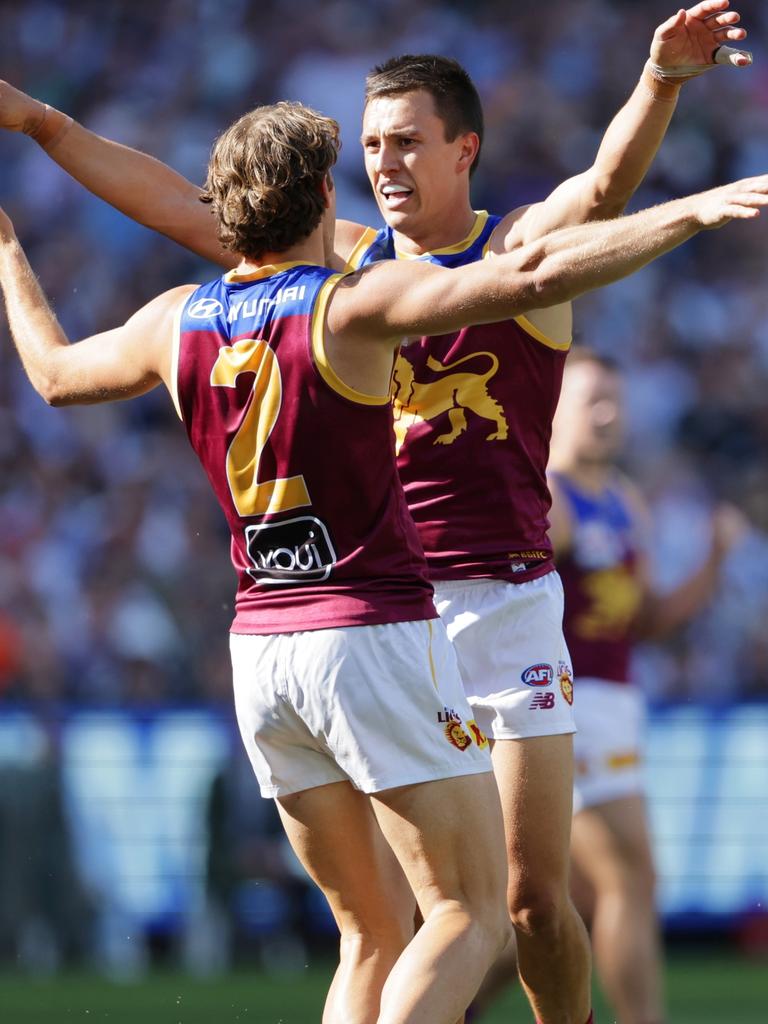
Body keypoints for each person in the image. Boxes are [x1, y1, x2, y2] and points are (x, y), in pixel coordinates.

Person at [0, 4, 754, 1021]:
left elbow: (605, 190)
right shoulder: (344, 272)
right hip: (390, 609)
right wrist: (47, 126)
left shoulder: (516, 242)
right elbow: (186, 207)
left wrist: (658, 85)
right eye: (370, 146)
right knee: (422, 911)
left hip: (503, 603)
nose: (387, 163)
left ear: (464, 149)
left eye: (407, 142)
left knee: (530, 902)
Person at [546, 348, 745, 1024]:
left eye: (614, 401)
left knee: (556, 902)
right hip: (567, 704)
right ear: (554, 409)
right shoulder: (548, 498)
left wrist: (714, 562)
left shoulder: (624, 499)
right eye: (590, 401)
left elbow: (646, 621)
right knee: (632, 877)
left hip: (612, 703)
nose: (606, 415)